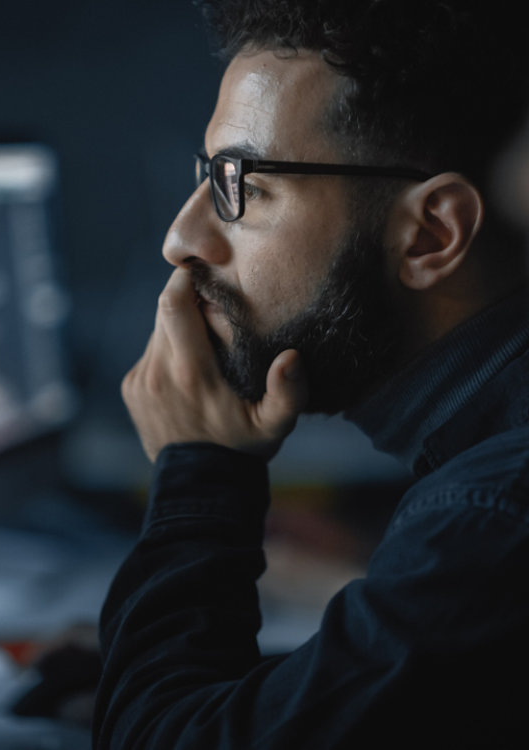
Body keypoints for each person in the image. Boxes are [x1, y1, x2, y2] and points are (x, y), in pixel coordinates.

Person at [94, 1, 529, 747]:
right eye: (206, 176)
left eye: (241, 185)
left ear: (432, 234)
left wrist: (200, 472)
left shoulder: (490, 518)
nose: (180, 237)